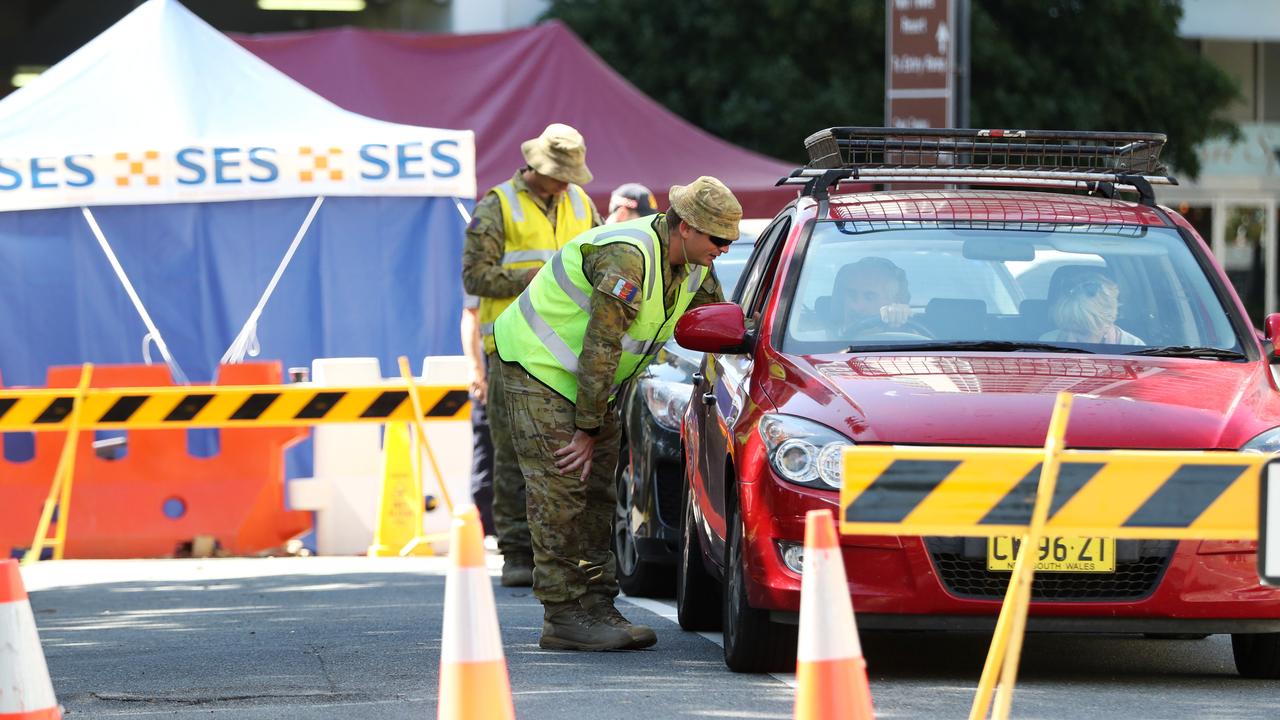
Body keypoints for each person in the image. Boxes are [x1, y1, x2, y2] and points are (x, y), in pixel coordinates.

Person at [492, 176, 741, 651]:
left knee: (599, 493)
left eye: (730, 240)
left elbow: (723, 324)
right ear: (685, 228)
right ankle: (564, 616)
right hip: (538, 367)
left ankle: (597, 604)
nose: (725, 249)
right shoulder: (629, 255)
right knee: (561, 491)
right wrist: (588, 428)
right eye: (718, 239)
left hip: (594, 385)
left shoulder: (695, 265)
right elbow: (600, 347)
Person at [461, 123, 602, 586]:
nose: (567, 183)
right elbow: (474, 277)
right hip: (511, 348)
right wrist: (531, 280)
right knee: (511, 454)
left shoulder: (582, 204)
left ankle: (563, 553)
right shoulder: (497, 205)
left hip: (569, 350)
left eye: (570, 175)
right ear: (536, 167)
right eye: (559, 174)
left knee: (569, 455)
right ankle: (518, 553)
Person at [460, 294, 495, 536]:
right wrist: (476, 370)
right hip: (492, 367)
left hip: (533, 365)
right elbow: (471, 316)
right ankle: (487, 527)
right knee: (487, 447)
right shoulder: (484, 257)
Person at [1040, 272, 1143, 345]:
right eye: (1066, 329)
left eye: (1082, 332)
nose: (1070, 340)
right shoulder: (1047, 342)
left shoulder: (1135, 350)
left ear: (1106, 324)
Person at [829, 256, 912, 337]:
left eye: (869, 297)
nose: (857, 306)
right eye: (851, 295)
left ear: (894, 303)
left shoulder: (917, 341)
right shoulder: (819, 344)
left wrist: (899, 329)